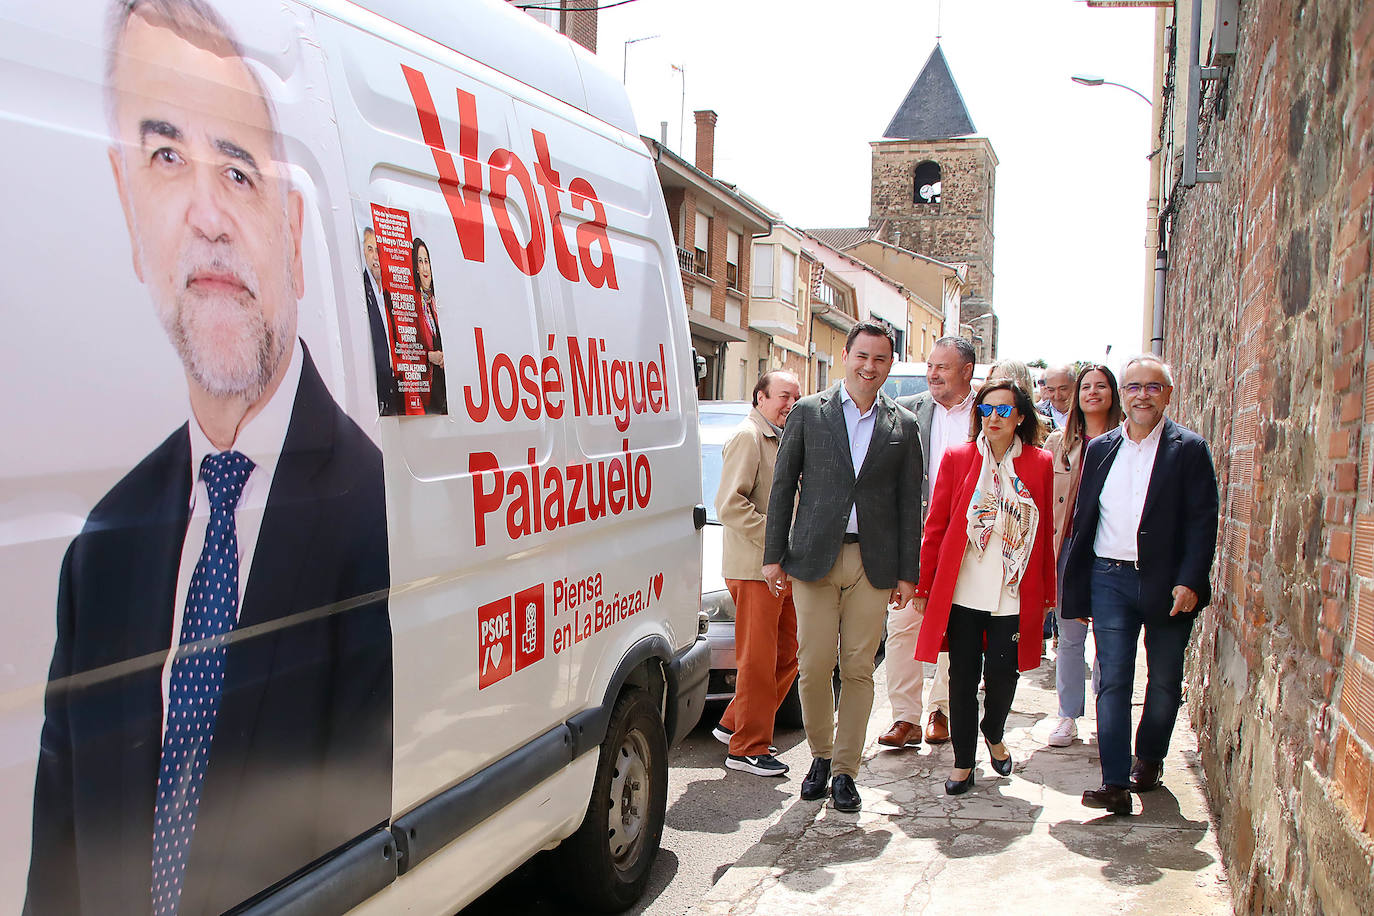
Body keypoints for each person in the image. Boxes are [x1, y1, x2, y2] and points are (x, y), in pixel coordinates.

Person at [26, 3, 393, 913]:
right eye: (165, 157)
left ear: (294, 228)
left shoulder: (375, 508)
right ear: (126, 203)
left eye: (239, 169)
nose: (206, 215)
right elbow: (57, 874)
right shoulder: (100, 550)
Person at [763, 321, 922, 812]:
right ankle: (820, 756)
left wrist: (907, 573)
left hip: (873, 562)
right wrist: (772, 555)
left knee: (857, 667)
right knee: (812, 666)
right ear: (846, 358)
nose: (869, 367)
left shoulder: (904, 424)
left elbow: (909, 503)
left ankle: (846, 771)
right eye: (862, 356)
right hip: (812, 556)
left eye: (879, 359)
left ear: (889, 365)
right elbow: (783, 485)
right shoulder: (810, 413)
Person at [1062, 355, 1218, 816]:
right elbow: (1084, 517)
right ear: (1123, 395)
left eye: (1153, 387)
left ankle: (1148, 757)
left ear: (1167, 395)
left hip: (1167, 583)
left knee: (1165, 680)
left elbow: (1202, 522)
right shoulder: (1101, 448)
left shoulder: (1189, 449)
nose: (1142, 395)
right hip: (1110, 578)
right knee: (1112, 679)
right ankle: (1113, 781)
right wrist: (1080, 584)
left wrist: (1190, 580)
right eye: (1133, 387)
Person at [912, 379, 1057, 795]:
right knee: (961, 677)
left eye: (1004, 411)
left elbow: (1042, 529)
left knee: (1002, 674)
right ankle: (962, 763)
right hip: (963, 587)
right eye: (987, 410)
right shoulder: (958, 458)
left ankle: (993, 730)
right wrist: (924, 587)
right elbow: (936, 526)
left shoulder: (1039, 462)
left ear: (1021, 418)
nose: (994, 418)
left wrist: (1047, 593)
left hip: (1012, 588)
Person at [882, 336, 977, 749]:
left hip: (973, 540)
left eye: (943, 367)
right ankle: (906, 717)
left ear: (967, 372)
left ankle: (943, 710)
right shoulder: (910, 411)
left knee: (958, 627)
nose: (933, 374)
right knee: (902, 624)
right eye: (930, 367)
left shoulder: (988, 411)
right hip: (918, 538)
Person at [713, 370, 802, 777]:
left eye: (796, 397)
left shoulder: (779, 436)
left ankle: (734, 722)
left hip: (780, 567)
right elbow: (729, 506)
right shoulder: (748, 437)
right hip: (754, 568)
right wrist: (777, 536)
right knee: (760, 661)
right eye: (783, 396)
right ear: (760, 397)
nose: (790, 404)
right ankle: (747, 747)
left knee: (789, 654)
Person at [1042, 365, 1124, 747]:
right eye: (1086, 386)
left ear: (1113, 392)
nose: (1092, 392)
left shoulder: (1130, 439)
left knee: (1110, 638)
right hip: (1068, 548)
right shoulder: (1059, 443)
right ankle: (1067, 715)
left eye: (1100, 386)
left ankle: (1109, 717)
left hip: (1112, 551)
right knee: (1070, 635)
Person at [363, 226, 403, 415]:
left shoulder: (393, 292)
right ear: (363, 252)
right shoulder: (361, 290)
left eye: (379, 250)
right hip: (376, 390)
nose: (375, 256)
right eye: (370, 249)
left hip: (399, 387)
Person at [412, 236, 447, 415]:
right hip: (427, 390)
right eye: (420, 261)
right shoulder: (414, 304)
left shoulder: (437, 301)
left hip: (447, 388)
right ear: (416, 268)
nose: (425, 267)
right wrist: (428, 356)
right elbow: (405, 349)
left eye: (427, 261)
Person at [1042, 364, 1076, 431]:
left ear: (1075, 386)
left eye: (1063, 389)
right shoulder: (1037, 414)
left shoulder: (1086, 413)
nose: (1057, 396)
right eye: (1051, 390)